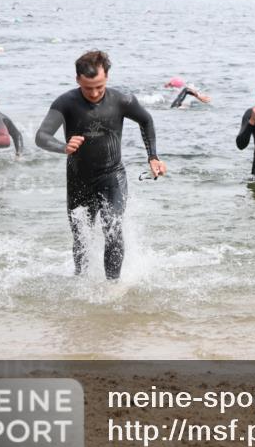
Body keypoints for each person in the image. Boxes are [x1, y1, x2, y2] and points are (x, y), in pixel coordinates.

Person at [35, 50, 167, 280]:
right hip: (78, 178)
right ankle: (81, 282)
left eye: (99, 86)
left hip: (112, 176)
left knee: (113, 229)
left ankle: (112, 287)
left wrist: (152, 156)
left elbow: (146, 120)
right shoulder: (66, 103)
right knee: (81, 237)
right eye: (88, 88)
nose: (94, 93)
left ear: (107, 77)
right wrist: (63, 146)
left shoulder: (122, 99)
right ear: (78, 80)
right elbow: (42, 136)